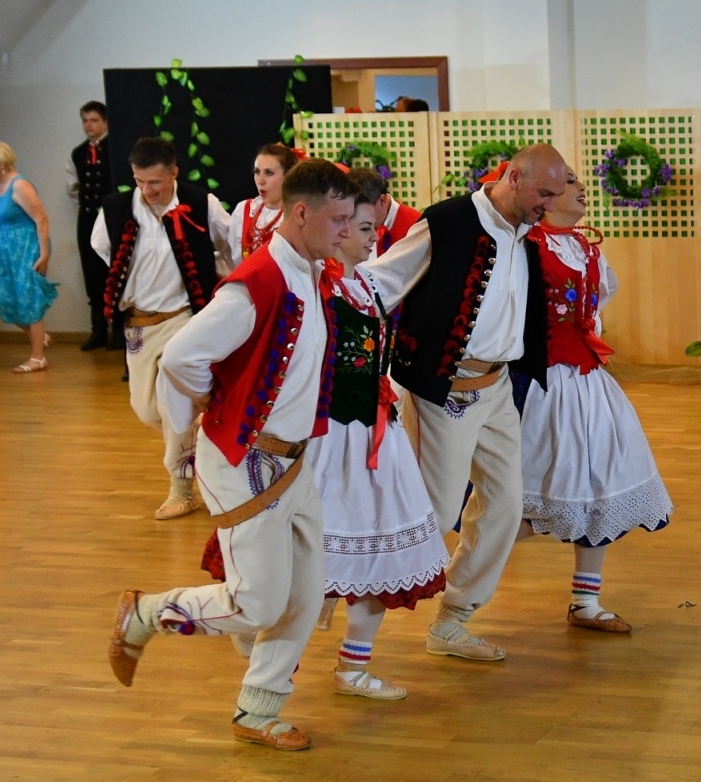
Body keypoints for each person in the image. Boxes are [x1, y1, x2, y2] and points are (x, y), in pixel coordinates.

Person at [107, 159, 360, 751]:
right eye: (340, 219)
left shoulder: (309, 271)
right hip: (245, 458)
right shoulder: (259, 281)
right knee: (257, 601)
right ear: (303, 213)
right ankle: (147, 613)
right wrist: (216, 411)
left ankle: (258, 711)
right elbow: (180, 358)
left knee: (306, 592)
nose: (346, 231)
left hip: (291, 460)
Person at [361, 144, 567, 662]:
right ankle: (356, 630)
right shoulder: (447, 222)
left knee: (504, 504)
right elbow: (382, 282)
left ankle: (453, 619)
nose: (549, 204)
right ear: (514, 177)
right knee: (432, 512)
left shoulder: (525, 233)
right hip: (442, 390)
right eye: (543, 192)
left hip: (497, 390)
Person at [513, 166, 673, 633]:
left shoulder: (585, 246)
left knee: (601, 479)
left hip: (587, 382)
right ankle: (453, 594)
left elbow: (599, 299)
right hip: (541, 384)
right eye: (569, 184)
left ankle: (585, 600)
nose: (582, 189)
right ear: (544, 196)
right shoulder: (527, 246)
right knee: (520, 497)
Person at [309, 174, 445, 699]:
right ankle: (259, 642)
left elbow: (416, 255)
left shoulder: (367, 283)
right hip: (326, 444)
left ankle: (352, 666)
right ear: (336, 228)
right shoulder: (311, 288)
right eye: (365, 228)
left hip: (377, 443)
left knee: (382, 554)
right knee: (307, 557)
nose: (374, 237)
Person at [92, 138, 221, 519]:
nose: (147, 191)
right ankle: (206, 435)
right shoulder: (116, 209)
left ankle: (181, 488)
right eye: (140, 182)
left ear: (174, 173)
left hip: (186, 319)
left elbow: (230, 244)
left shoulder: (201, 204)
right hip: (139, 325)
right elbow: (102, 247)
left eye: (155, 183)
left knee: (173, 401)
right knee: (148, 409)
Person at [0, 141, 58, 374]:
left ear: (0, 163)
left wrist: (44, 254)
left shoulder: (19, 185)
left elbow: (41, 219)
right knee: (6, 301)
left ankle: (37, 357)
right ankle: (39, 337)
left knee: (29, 301)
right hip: (6, 249)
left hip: (27, 248)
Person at [65, 101, 120, 351]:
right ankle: (98, 330)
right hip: (87, 218)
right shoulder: (78, 153)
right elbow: (74, 189)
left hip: (112, 218)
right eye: (85, 120)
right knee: (92, 274)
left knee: (115, 271)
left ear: (106, 122)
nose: (89, 125)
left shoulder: (117, 148)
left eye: (94, 120)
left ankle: (119, 331)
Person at [226, 144, 299, 268]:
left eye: (269, 173)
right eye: (257, 172)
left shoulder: (298, 215)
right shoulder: (244, 211)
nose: (260, 180)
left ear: (288, 176)